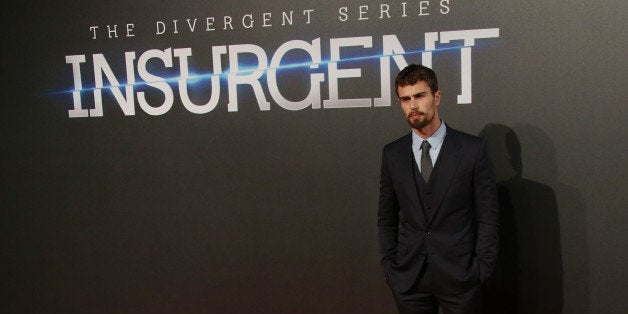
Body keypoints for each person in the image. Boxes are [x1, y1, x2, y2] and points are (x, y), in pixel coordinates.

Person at [378, 64, 499, 314]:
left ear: (437, 97)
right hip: (410, 280)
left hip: (460, 278)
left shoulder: (471, 150)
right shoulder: (392, 154)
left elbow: (488, 217)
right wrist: (390, 267)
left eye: (420, 96)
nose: (413, 106)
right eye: (405, 99)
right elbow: (386, 218)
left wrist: (481, 269)